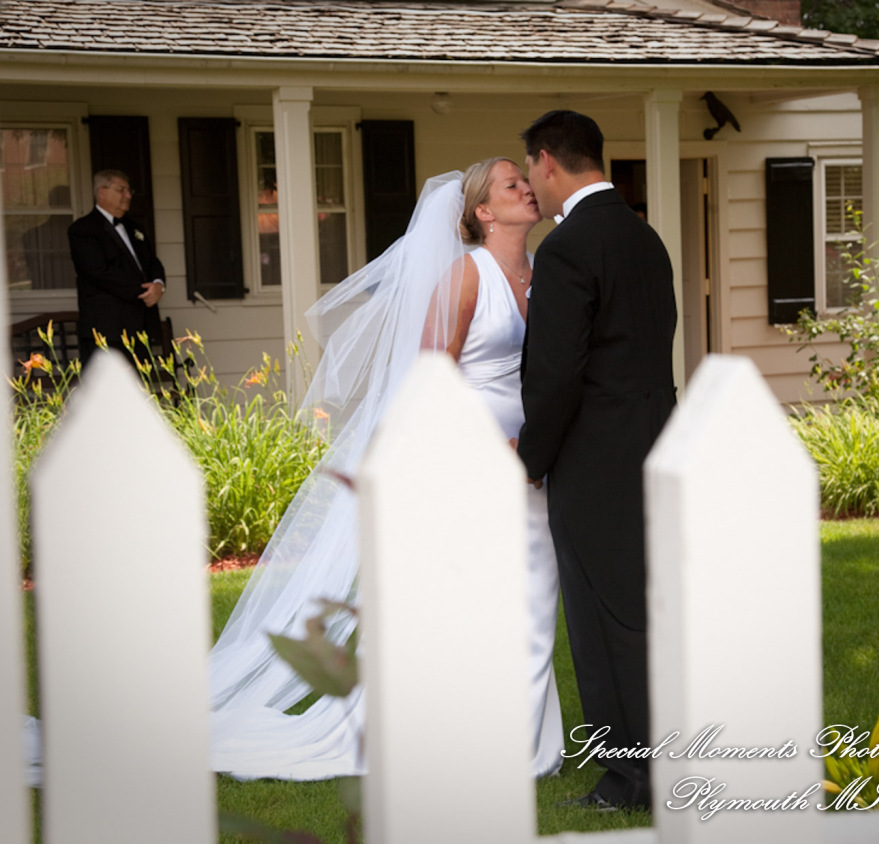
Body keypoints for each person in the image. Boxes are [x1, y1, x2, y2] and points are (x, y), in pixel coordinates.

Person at [207, 160, 563, 780]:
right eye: (512, 184)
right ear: (483, 211)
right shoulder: (465, 275)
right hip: (475, 454)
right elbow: (432, 379)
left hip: (534, 451)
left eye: (525, 181)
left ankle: (522, 735)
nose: (527, 189)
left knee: (534, 592)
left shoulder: (543, 272)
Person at [516, 110, 677, 811]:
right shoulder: (645, 237)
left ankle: (628, 776)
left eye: (530, 169)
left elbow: (556, 373)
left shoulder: (565, 248)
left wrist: (532, 457)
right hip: (653, 442)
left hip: (592, 459)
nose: (532, 182)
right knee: (644, 609)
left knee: (602, 620)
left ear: (547, 160)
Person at [67, 169, 166, 367]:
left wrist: (158, 285)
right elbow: (98, 273)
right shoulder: (83, 229)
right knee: (107, 386)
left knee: (140, 384)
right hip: (107, 329)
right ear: (102, 192)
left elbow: (152, 262)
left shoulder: (135, 228)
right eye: (121, 190)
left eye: (129, 191)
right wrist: (143, 291)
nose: (128, 196)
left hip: (141, 327)